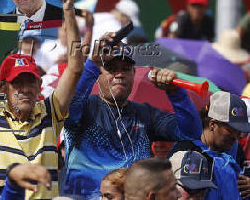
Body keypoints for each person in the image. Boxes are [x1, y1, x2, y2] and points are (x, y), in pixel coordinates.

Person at [0, 0, 83, 199]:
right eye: (17, 83)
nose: (25, 89)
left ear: (40, 84)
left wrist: (68, 11)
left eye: (30, 81)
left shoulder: (51, 113)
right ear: (2, 86)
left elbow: (75, 68)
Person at [63, 33, 202, 198]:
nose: (120, 74)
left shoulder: (145, 114)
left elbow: (190, 132)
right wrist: (92, 64)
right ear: (98, 74)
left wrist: (176, 93)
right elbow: (69, 109)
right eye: (111, 69)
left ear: (134, 73)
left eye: (125, 69)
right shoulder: (84, 107)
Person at [168, 91, 250, 200]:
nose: (235, 136)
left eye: (239, 131)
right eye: (231, 130)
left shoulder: (230, 149)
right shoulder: (185, 153)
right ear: (212, 124)